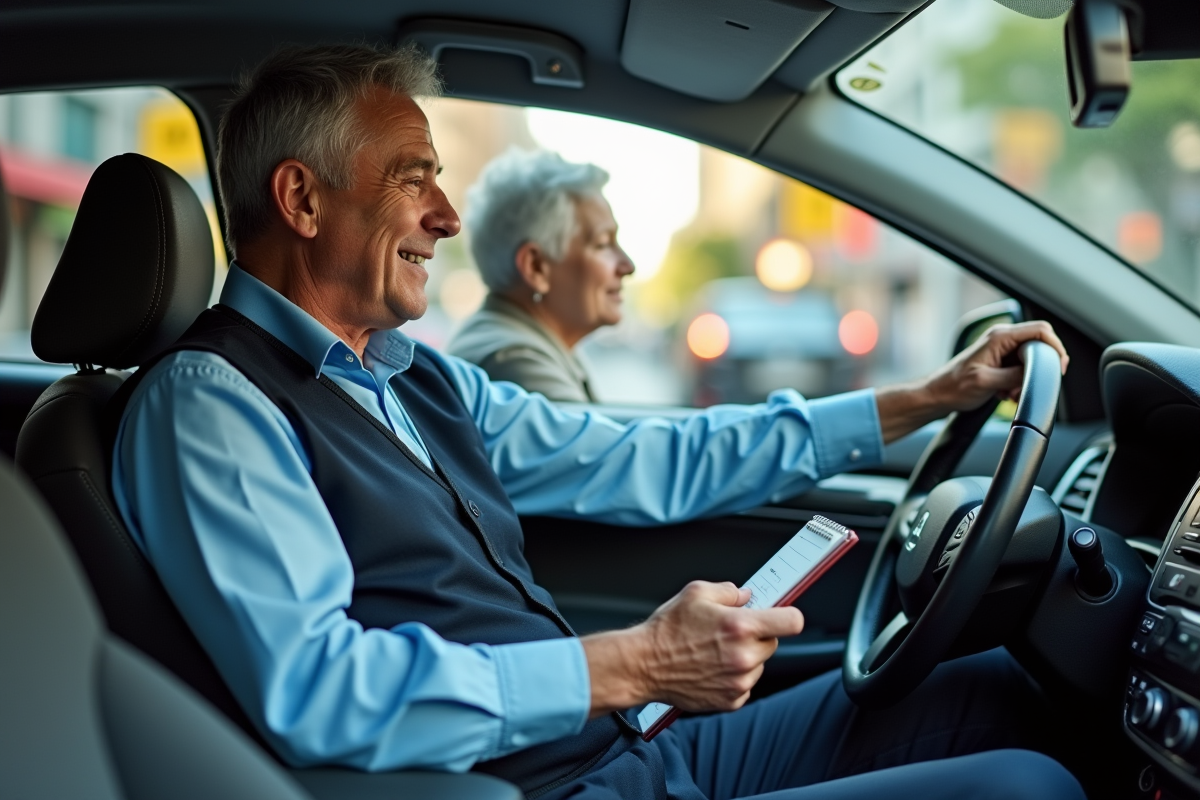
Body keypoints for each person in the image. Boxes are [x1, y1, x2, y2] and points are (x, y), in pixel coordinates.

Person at [112, 43, 1084, 800]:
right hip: (544, 784)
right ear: (302, 199)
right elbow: (321, 691)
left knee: (996, 683)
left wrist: (923, 398)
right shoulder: (210, 404)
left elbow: (643, 453)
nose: (448, 217)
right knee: (1025, 785)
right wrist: (637, 661)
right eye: (414, 177)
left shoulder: (415, 379)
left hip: (624, 749)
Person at [447, 149, 630, 402]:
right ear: (535, 267)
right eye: (602, 244)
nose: (628, 266)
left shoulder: (529, 342)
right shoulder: (514, 359)